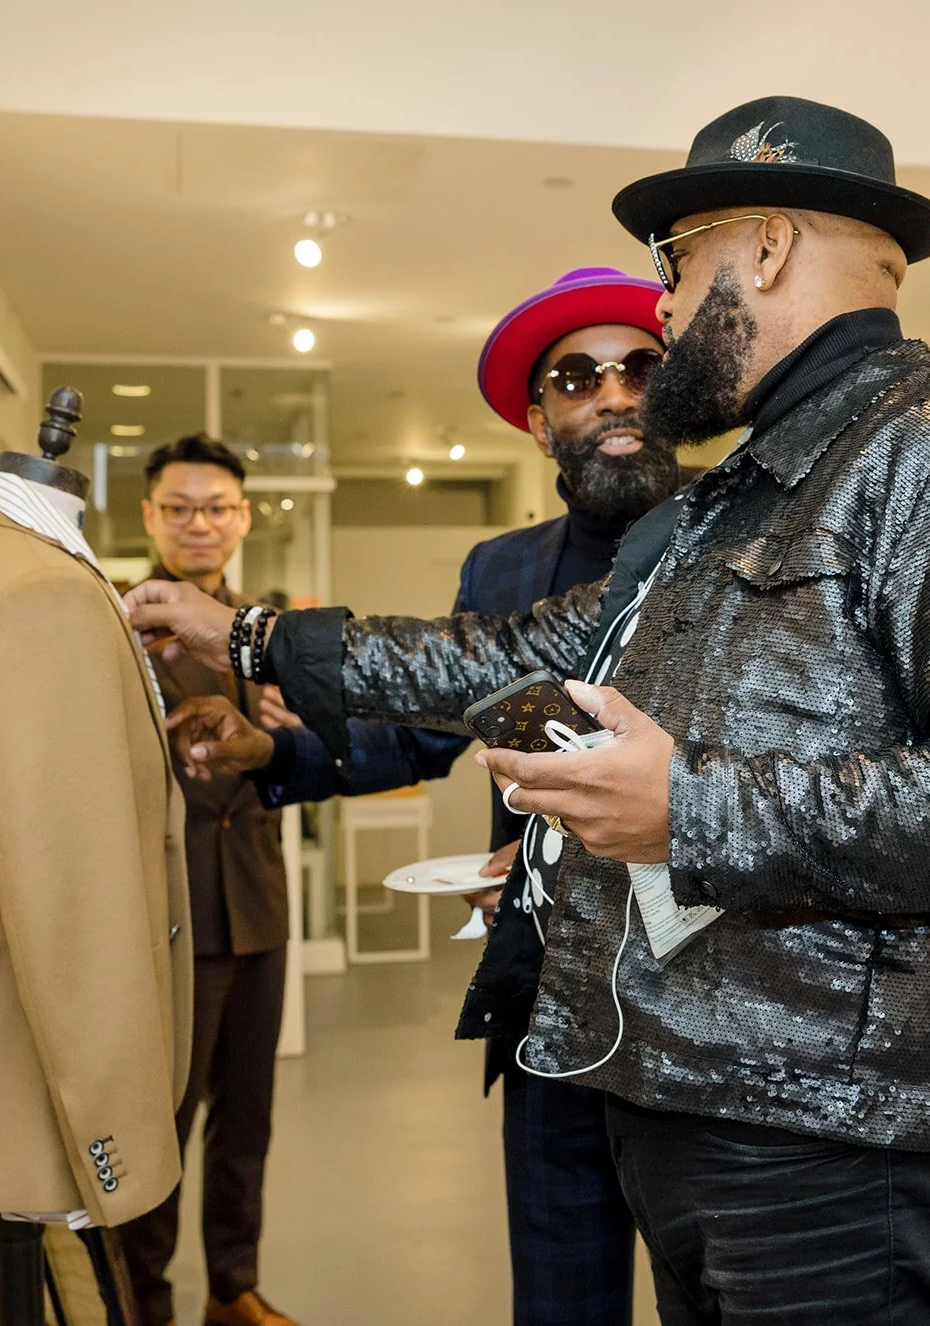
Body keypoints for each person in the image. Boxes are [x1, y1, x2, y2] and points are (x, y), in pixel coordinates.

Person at [126, 95, 930, 1326]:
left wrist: (688, 805)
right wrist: (242, 632)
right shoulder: (720, 507)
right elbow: (509, 654)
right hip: (678, 1107)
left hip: (854, 1154)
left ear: (762, 249)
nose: (660, 307)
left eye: (676, 264)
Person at [164, 267, 678, 1326]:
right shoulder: (502, 570)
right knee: (561, 1296)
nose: (613, 395)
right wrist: (269, 754)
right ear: (540, 421)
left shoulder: (745, 551)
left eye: (641, 368)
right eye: (577, 377)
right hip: (549, 1002)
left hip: (716, 1011)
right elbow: (418, 730)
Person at [117, 435, 303, 1326]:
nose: (200, 523)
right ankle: (142, 1302)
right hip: (166, 911)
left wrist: (299, 725)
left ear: (244, 517)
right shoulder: (115, 627)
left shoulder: (268, 633)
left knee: (248, 1119)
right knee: (162, 1125)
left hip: (259, 897)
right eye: (180, 508)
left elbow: (310, 754)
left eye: (217, 507)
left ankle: (232, 1286)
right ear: (151, 517)